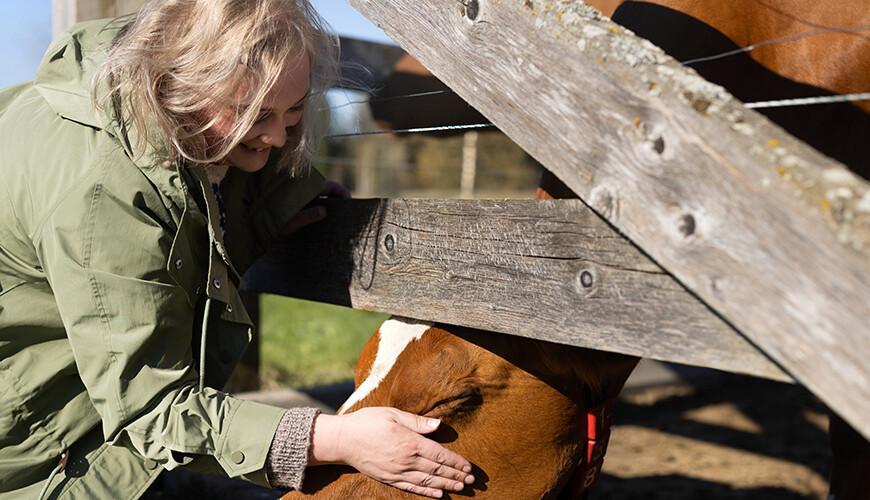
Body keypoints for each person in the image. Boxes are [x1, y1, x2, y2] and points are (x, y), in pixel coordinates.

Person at [0, 1, 474, 498]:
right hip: (43, 458)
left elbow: (185, 211)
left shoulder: (154, 106)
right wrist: (333, 437)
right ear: (186, 84)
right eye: (256, 114)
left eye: (294, 111)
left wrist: (273, 209)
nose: (277, 135)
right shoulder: (102, 191)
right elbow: (150, 408)